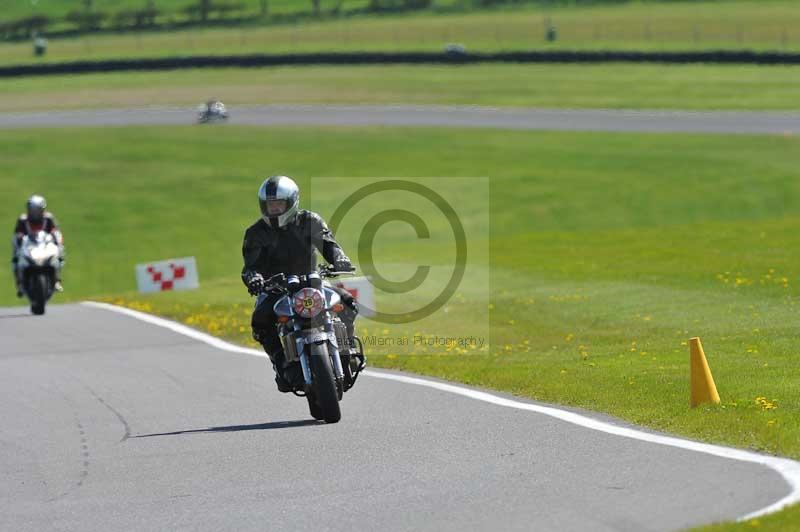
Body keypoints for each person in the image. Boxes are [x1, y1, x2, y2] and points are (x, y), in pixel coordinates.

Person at [241, 175, 357, 392]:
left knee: (348, 303)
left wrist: (339, 258)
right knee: (260, 320)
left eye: (278, 204)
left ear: (292, 202)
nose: (274, 209)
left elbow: (328, 243)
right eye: (270, 205)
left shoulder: (309, 221)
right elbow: (251, 265)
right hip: (277, 288)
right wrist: (254, 278)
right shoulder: (255, 233)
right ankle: (280, 362)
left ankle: (347, 348)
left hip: (312, 283)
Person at [11, 195, 65, 297]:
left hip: (44, 246)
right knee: (15, 259)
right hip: (28, 246)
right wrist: (19, 237)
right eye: (32, 210)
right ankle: (20, 284)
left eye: (37, 210)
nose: (34, 213)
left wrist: (56, 239)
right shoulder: (23, 220)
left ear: (42, 209)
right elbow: (17, 233)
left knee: (59, 255)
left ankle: (56, 280)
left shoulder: (48, 218)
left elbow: (55, 231)